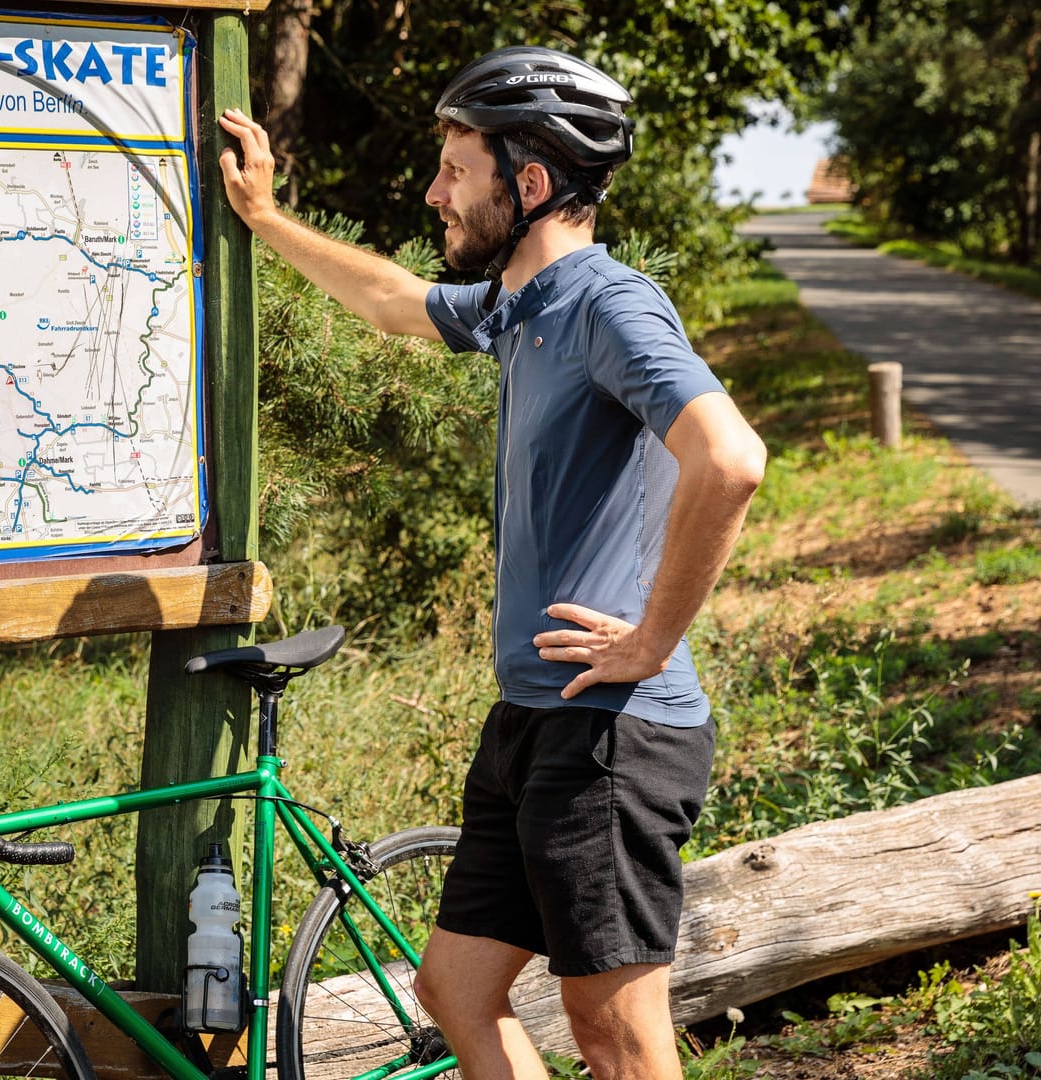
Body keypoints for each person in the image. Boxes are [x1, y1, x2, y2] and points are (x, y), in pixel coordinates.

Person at [218, 47, 766, 1079]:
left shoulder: (608, 304)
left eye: (455, 168)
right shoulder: (520, 310)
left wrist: (653, 638)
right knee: (455, 992)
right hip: (532, 721)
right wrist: (262, 218)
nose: (434, 191)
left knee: (616, 1033)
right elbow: (389, 301)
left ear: (530, 183)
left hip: (610, 732)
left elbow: (731, 460)